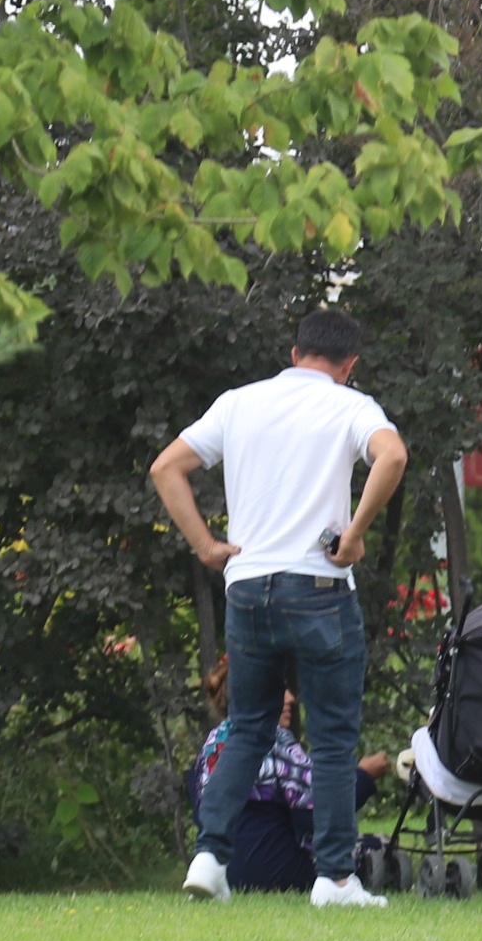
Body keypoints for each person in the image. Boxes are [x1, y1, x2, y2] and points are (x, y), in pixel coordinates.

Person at [149, 309, 409, 908]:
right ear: (349, 367)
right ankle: (335, 877)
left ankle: (211, 859)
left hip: (247, 586)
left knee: (247, 725)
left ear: (295, 354)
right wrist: (356, 532)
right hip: (318, 589)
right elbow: (391, 457)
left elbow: (167, 467)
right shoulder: (351, 406)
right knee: (335, 734)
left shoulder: (238, 403)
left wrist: (207, 546)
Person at [184, 658, 392, 892]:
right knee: (376, 844)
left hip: (226, 875)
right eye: (280, 689)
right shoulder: (276, 741)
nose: (291, 698)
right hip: (278, 871)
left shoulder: (210, 748)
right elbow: (316, 814)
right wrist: (363, 776)